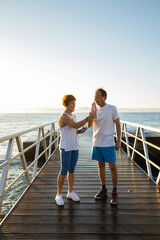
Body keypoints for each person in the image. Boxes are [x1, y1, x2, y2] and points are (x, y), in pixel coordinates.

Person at [55, 94, 93, 206]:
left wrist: (80, 131)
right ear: (66, 104)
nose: (74, 106)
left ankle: (70, 192)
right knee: (64, 170)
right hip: (66, 147)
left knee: (72, 170)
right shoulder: (64, 116)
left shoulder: (73, 116)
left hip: (74, 147)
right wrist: (87, 118)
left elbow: (74, 129)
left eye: (74, 104)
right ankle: (58, 195)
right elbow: (75, 125)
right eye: (72, 104)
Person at [88, 88, 121, 205]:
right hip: (97, 143)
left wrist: (118, 141)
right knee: (100, 165)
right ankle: (103, 189)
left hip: (108, 143)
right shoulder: (94, 110)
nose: (95, 99)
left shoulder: (112, 108)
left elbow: (118, 124)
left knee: (113, 167)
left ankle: (115, 192)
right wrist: (91, 113)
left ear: (104, 97)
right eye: (94, 96)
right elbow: (88, 125)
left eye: (97, 97)